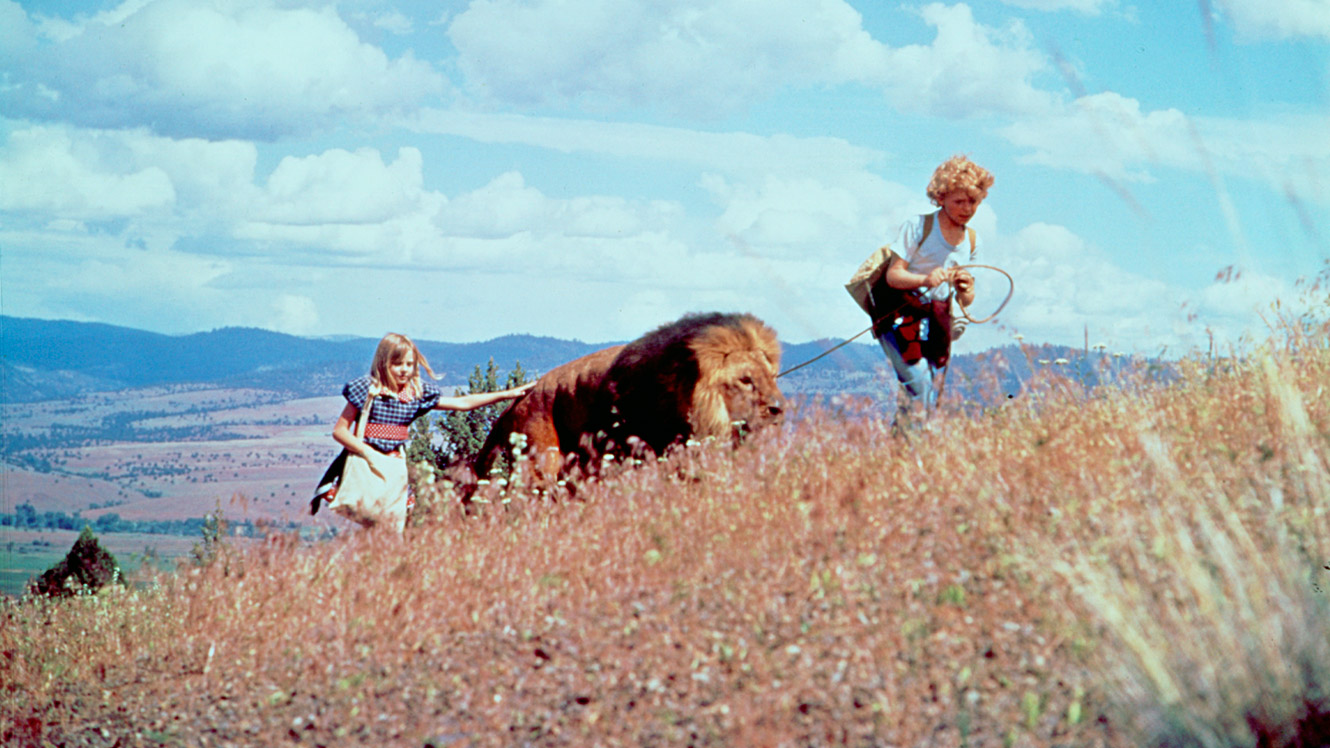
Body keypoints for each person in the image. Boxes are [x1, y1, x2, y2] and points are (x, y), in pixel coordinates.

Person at [311, 332, 534, 523]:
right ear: (383, 363)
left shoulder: (416, 394)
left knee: (393, 523)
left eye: (409, 364)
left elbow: (461, 403)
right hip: (365, 461)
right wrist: (367, 452)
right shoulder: (367, 390)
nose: (404, 370)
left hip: (395, 465)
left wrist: (507, 394)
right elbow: (340, 430)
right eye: (397, 364)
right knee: (367, 515)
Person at [871, 155, 992, 418]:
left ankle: (903, 450)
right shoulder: (918, 227)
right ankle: (911, 449)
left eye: (973, 201)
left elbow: (967, 300)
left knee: (931, 393)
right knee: (919, 385)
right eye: (959, 201)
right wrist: (925, 280)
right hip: (899, 316)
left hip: (938, 321)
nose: (967, 208)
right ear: (941, 197)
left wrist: (965, 287)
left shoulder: (972, 240)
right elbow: (894, 275)